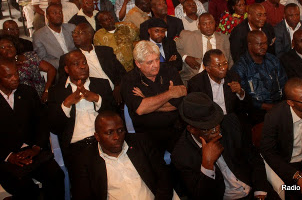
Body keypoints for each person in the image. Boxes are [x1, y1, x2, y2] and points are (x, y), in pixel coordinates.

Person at [171, 92, 279, 200]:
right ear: (191, 129)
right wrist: (207, 165)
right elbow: (201, 196)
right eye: (208, 128)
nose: (217, 131)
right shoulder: (181, 155)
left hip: (254, 188)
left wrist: (260, 191)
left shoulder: (230, 123)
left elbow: (254, 157)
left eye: (216, 124)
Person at [0, 60, 65, 199]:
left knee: (56, 175)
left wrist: (37, 147)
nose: (15, 78)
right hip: (5, 158)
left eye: (16, 74)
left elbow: (41, 122)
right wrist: (8, 156)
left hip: (33, 152)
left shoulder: (27, 92)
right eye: (8, 76)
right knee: (26, 188)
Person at [73, 111, 174, 199]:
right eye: (109, 133)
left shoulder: (141, 143)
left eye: (120, 130)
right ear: (97, 136)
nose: (117, 137)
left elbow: (164, 177)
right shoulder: (86, 160)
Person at [48, 50, 115, 173]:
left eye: (84, 62)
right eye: (76, 64)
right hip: (77, 146)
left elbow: (115, 115)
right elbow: (54, 127)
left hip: (104, 142)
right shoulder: (56, 92)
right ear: (67, 69)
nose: (83, 66)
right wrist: (67, 104)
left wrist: (97, 99)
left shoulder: (102, 84)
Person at [121, 40, 187, 152]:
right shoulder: (129, 80)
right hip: (148, 134)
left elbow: (178, 103)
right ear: (138, 64)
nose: (155, 65)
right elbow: (141, 109)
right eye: (149, 62)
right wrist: (170, 94)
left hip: (176, 128)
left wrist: (147, 102)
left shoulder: (169, 70)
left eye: (157, 59)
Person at [233, 31, 287, 124]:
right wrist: (268, 107)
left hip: (279, 106)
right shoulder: (240, 67)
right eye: (259, 44)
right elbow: (244, 98)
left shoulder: (273, 60)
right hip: (256, 111)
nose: (264, 47)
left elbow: (284, 83)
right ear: (249, 45)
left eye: (265, 43)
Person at [176, 13, 233, 83]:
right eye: (204, 24)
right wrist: (184, 57)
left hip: (219, 79)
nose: (208, 26)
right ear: (199, 26)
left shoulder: (224, 38)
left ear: (215, 23)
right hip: (194, 78)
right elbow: (173, 48)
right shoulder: (187, 36)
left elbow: (230, 61)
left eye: (211, 23)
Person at [188, 49, 244, 115]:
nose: (223, 68)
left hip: (229, 116)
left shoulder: (233, 77)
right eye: (218, 65)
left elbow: (243, 106)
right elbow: (195, 111)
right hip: (209, 118)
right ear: (208, 69)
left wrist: (240, 92)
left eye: (225, 63)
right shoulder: (196, 83)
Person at [33, 4, 76, 69]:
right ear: (47, 16)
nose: (58, 15)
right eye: (54, 13)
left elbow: (78, 48)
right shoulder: (39, 35)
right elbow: (42, 59)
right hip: (58, 68)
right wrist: (65, 63)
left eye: (60, 12)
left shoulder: (71, 28)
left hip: (76, 62)